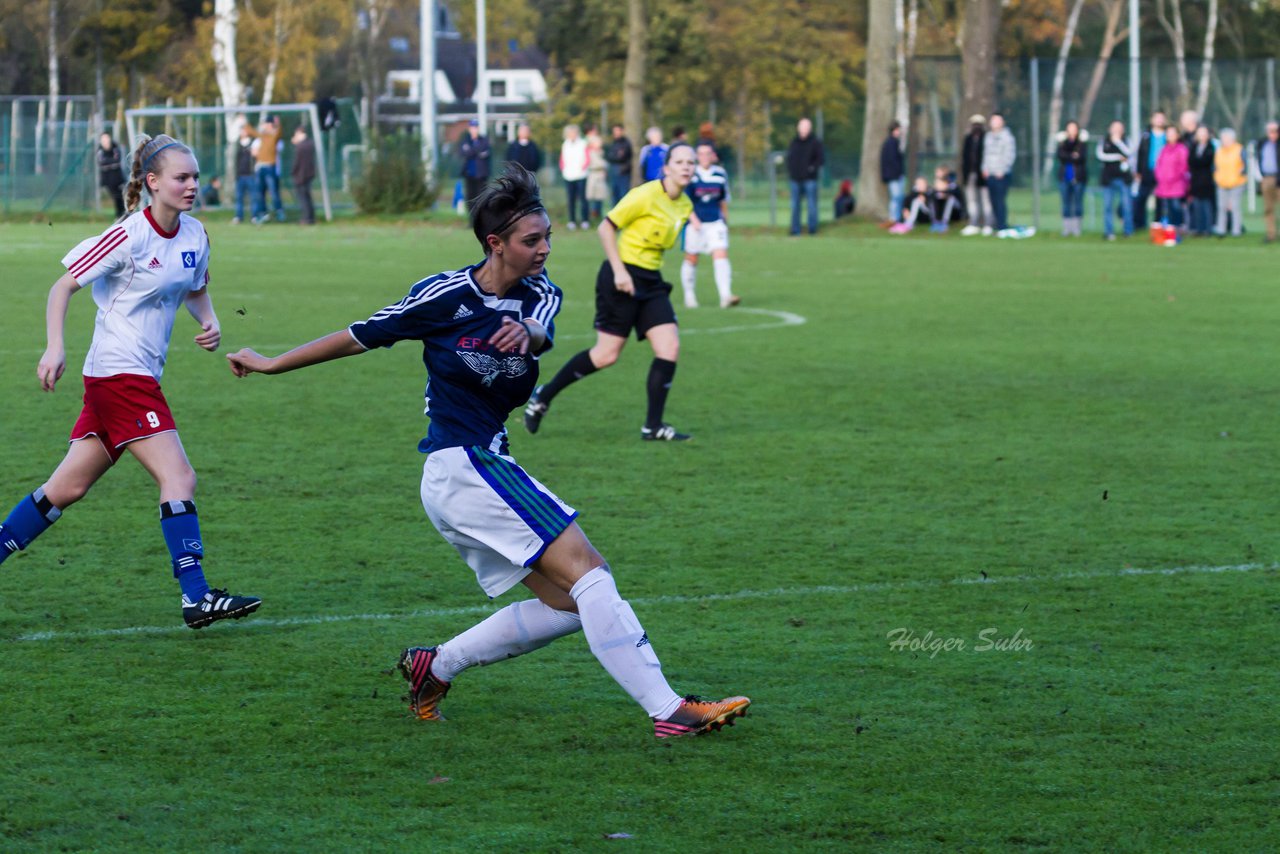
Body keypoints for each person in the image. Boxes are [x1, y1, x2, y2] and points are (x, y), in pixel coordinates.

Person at [225, 164, 748, 738]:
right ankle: (669, 711)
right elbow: (361, 334)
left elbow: (542, 326)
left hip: (477, 468)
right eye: (532, 240)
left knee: (570, 604)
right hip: (463, 464)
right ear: (494, 244)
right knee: (591, 573)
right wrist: (272, 362)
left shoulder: (539, 292)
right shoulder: (444, 295)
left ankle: (436, 665)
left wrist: (529, 335)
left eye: (548, 236)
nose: (545, 248)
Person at [0, 133, 261, 629]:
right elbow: (63, 287)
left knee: (65, 489)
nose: (192, 186)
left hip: (122, 378)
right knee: (179, 477)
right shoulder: (128, 235)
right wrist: (55, 346)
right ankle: (196, 596)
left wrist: (209, 322)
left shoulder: (196, 235)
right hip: (121, 374)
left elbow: (196, 287)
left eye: (195, 177)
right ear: (153, 182)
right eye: (182, 178)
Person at [525, 144, 698, 442]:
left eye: (691, 162)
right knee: (606, 355)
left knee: (669, 347)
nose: (686, 167)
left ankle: (653, 426)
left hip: (651, 282)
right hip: (620, 276)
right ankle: (544, 395)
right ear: (666, 167)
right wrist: (619, 271)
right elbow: (606, 228)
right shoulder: (645, 194)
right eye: (679, 162)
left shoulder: (684, 205)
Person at [680, 141, 739, 309]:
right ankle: (689, 295)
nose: (704, 157)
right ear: (696, 157)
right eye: (700, 153)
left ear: (713, 156)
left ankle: (725, 295)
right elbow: (685, 201)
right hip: (696, 224)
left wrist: (725, 221)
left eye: (707, 153)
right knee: (691, 258)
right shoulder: (691, 174)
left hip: (715, 223)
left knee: (721, 255)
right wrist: (693, 220)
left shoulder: (720, 174)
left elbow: (723, 200)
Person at [1096, 120, 1134, 241]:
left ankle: (1128, 231)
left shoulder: (1126, 141)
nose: (1117, 130)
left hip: (1124, 178)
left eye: (1119, 128)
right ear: (1110, 129)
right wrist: (1118, 157)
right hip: (1108, 179)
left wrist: (1118, 142)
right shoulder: (1104, 141)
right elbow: (1101, 156)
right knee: (1107, 206)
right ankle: (1109, 232)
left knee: (1126, 206)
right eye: (1114, 127)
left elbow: (1129, 153)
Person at [786, 117, 824, 235]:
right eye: (802, 127)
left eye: (806, 127)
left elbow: (821, 159)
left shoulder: (815, 142)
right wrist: (792, 171)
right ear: (798, 128)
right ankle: (795, 229)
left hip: (810, 180)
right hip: (795, 179)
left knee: (812, 205)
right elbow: (790, 158)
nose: (804, 130)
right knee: (795, 206)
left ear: (810, 128)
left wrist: (811, 169)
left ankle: (812, 229)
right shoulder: (794, 142)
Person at [981, 112, 1016, 234]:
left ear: (1002, 122)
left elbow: (1009, 155)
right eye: (993, 120)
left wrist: (1003, 170)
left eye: (998, 120)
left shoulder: (1007, 137)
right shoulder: (988, 136)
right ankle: (995, 224)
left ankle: (1002, 225)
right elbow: (985, 154)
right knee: (993, 201)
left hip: (1002, 174)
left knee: (1000, 200)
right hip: (990, 174)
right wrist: (984, 168)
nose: (995, 123)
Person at [1134, 111, 1169, 229]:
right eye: (1157, 118)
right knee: (1141, 197)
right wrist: (1139, 171)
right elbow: (1140, 154)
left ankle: (1157, 224)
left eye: (1161, 118)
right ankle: (1139, 224)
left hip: (1163, 173)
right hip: (1147, 171)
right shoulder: (1146, 135)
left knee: (1160, 200)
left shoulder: (1168, 135)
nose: (1159, 120)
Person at [960, 115, 993, 235]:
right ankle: (973, 223)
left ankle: (988, 223)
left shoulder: (986, 139)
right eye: (974, 124)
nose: (976, 127)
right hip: (970, 174)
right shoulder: (968, 139)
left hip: (983, 175)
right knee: (971, 200)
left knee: (986, 200)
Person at [1056, 120, 1088, 237]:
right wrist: (1072, 155)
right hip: (1065, 177)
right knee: (1066, 203)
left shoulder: (1082, 143)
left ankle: (1076, 228)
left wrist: (1070, 156)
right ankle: (1067, 228)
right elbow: (1060, 155)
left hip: (1078, 177)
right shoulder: (1062, 143)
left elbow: (1081, 158)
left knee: (1077, 203)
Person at [1214, 128, 1247, 238]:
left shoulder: (1239, 149)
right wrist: (1217, 177)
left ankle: (1236, 230)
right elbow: (1215, 167)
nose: (1224, 140)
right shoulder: (1219, 150)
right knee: (1221, 207)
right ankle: (1221, 230)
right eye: (1223, 138)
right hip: (1222, 183)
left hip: (1236, 183)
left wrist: (1241, 173)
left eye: (1226, 138)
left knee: (1235, 207)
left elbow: (1245, 166)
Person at [1154, 125, 1189, 229]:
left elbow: (1183, 167)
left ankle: (1178, 228)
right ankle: (1169, 230)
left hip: (1176, 184)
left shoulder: (1182, 149)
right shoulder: (1164, 149)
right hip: (1163, 185)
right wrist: (1159, 176)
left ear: (1177, 135)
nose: (1170, 136)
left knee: (1176, 208)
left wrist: (1173, 178)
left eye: (1172, 133)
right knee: (1167, 209)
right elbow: (1159, 164)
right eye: (1168, 134)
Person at [252, 114, 285, 224]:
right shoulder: (262, 136)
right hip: (260, 167)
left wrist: (278, 124)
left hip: (270, 167)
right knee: (259, 192)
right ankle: (262, 213)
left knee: (273, 191)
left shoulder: (274, 137)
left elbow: (278, 134)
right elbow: (253, 134)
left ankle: (279, 212)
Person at [1186, 126, 1216, 237]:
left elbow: (1205, 161)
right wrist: (1197, 162)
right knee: (1197, 206)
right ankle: (1198, 229)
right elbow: (1191, 161)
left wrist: (1197, 162)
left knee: (1206, 206)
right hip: (1195, 181)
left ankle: (1208, 229)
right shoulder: (1194, 147)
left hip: (1206, 181)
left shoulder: (1210, 147)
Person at [559, 123, 589, 230]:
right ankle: (572, 221)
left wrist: (582, 168)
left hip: (581, 175)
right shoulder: (565, 144)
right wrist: (564, 169)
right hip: (568, 175)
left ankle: (585, 220)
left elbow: (587, 158)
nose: (572, 135)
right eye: (570, 133)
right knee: (571, 199)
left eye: (574, 133)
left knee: (583, 199)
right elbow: (562, 160)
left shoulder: (583, 143)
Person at [1254, 121, 1279, 243]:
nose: (1272, 133)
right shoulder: (1262, 143)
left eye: (1275, 130)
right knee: (1268, 208)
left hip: (1278, 178)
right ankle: (1271, 234)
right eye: (1270, 130)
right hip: (1267, 178)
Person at [460, 119, 492, 211]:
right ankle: (471, 220)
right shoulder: (465, 140)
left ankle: (481, 219)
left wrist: (471, 149)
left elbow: (486, 153)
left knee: (481, 198)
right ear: (469, 129)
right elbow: (464, 153)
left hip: (481, 175)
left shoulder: (484, 140)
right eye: (472, 128)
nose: (474, 130)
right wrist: (478, 152)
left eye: (476, 128)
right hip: (469, 174)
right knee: (470, 197)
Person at [232, 119, 258, 224]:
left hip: (250, 175)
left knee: (253, 197)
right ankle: (239, 217)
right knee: (239, 198)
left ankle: (254, 216)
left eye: (244, 130)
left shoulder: (254, 143)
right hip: (240, 175)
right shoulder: (237, 144)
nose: (243, 132)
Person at [290, 125, 317, 225]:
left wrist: (293, 172)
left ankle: (306, 218)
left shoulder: (300, 146)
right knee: (307, 197)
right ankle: (310, 217)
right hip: (309, 174)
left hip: (301, 175)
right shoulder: (310, 143)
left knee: (303, 198)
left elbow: (297, 162)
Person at [879, 121, 905, 223]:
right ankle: (893, 218)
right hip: (893, 176)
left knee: (899, 197)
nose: (899, 132)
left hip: (897, 175)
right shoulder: (890, 143)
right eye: (898, 130)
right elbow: (890, 161)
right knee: (896, 197)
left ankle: (897, 218)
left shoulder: (895, 143)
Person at [96, 132, 126, 218]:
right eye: (103, 139)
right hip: (107, 179)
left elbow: (117, 160)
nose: (105, 141)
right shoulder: (100, 150)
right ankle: (119, 214)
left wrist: (108, 162)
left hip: (117, 177)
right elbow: (101, 162)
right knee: (115, 196)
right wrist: (111, 163)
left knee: (120, 195)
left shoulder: (115, 147)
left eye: (106, 138)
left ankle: (122, 214)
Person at [585, 128, 609, 225]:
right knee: (591, 196)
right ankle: (591, 216)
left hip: (601, 175)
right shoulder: (589, 152)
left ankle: (600, 216)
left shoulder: (602, 152)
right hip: (592, 175)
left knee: (601, 196)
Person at [604, 124, 633, 204]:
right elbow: (608, 156)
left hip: (623, 172)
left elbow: (622, 157)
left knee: (623, 195)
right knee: (614, 195)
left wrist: (614, 156)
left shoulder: (626, 143)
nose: (616, 133)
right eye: (614, 131)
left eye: (618, 131)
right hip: (613, 172)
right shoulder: (612, 143)